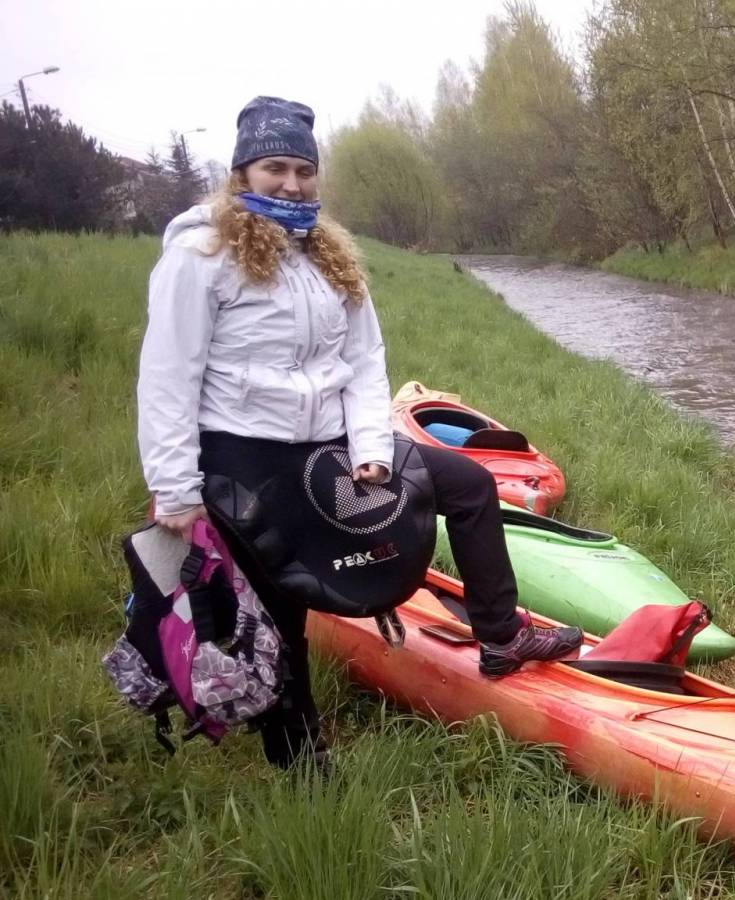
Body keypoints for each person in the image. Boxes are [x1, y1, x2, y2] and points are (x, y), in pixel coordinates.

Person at [136, 96, 581, 769]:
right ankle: (299, 758)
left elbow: (365, 360)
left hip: (331, 447)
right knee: (283, 604)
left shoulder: (330, 255)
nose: (292, 184)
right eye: (275, 168)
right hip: (245, 457)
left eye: (303, 171)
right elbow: (168, 376)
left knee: (466, 485)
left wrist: (372, 448)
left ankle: (500, 636)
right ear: (242, 172)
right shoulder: (201, 255)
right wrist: (175, 490)